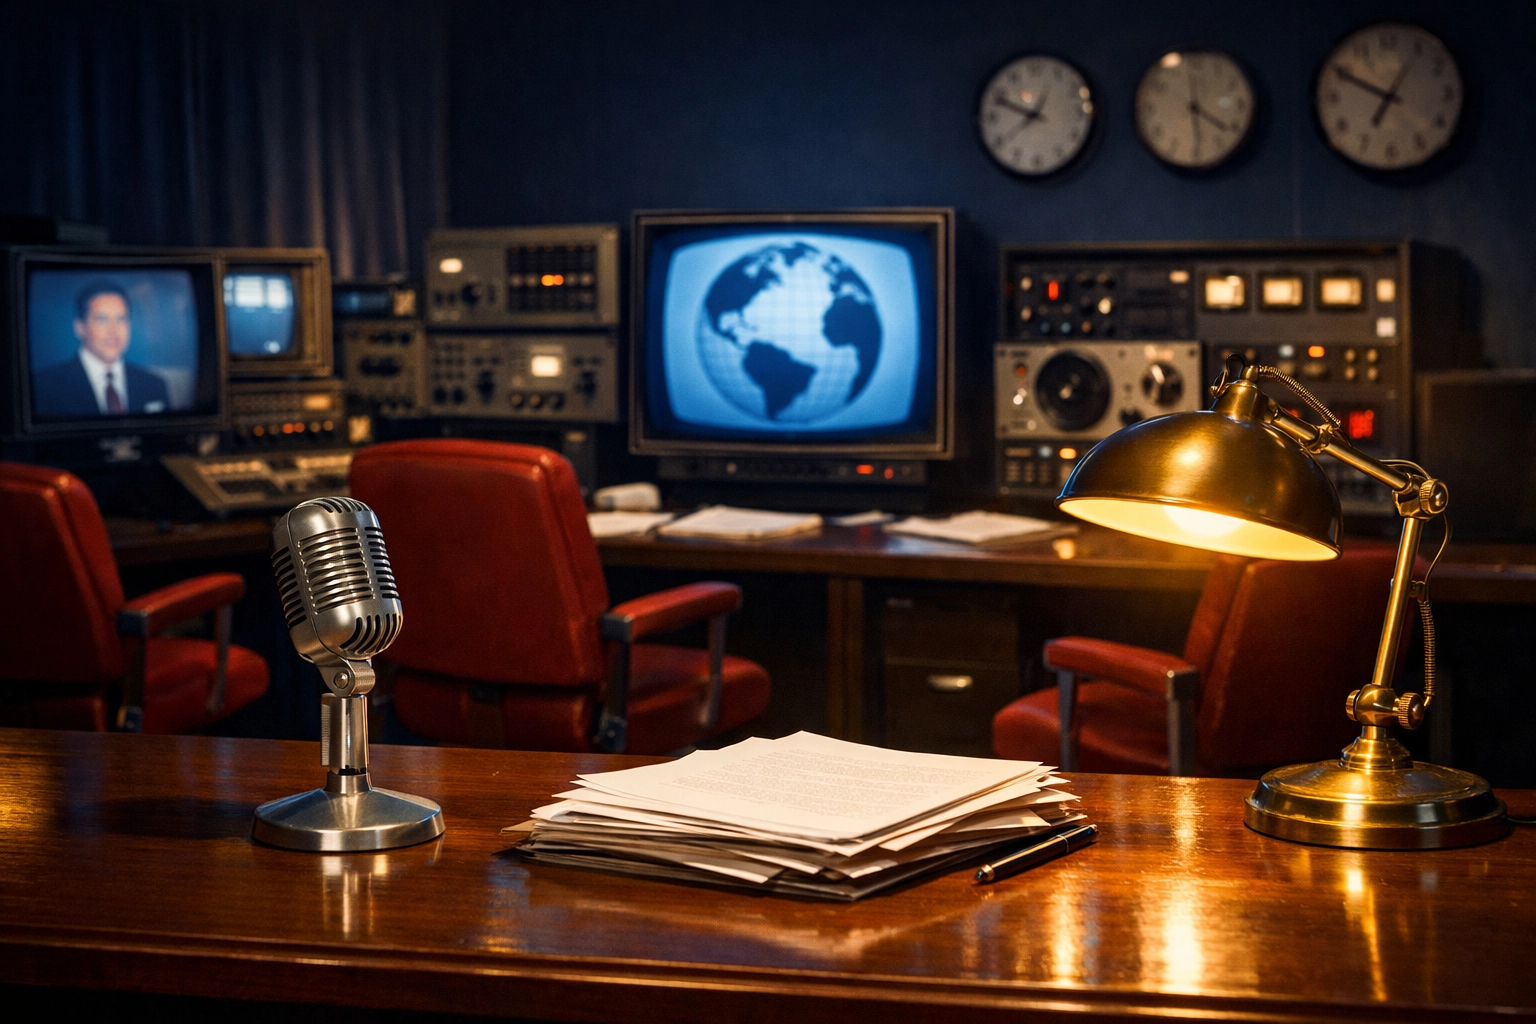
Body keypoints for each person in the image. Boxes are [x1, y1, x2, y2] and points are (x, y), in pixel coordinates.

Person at [31, 282, 171, 417]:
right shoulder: (44, 386)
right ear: (80, 328)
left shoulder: (154, 385)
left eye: (121, 319)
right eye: (102, 319)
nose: (113, 331)